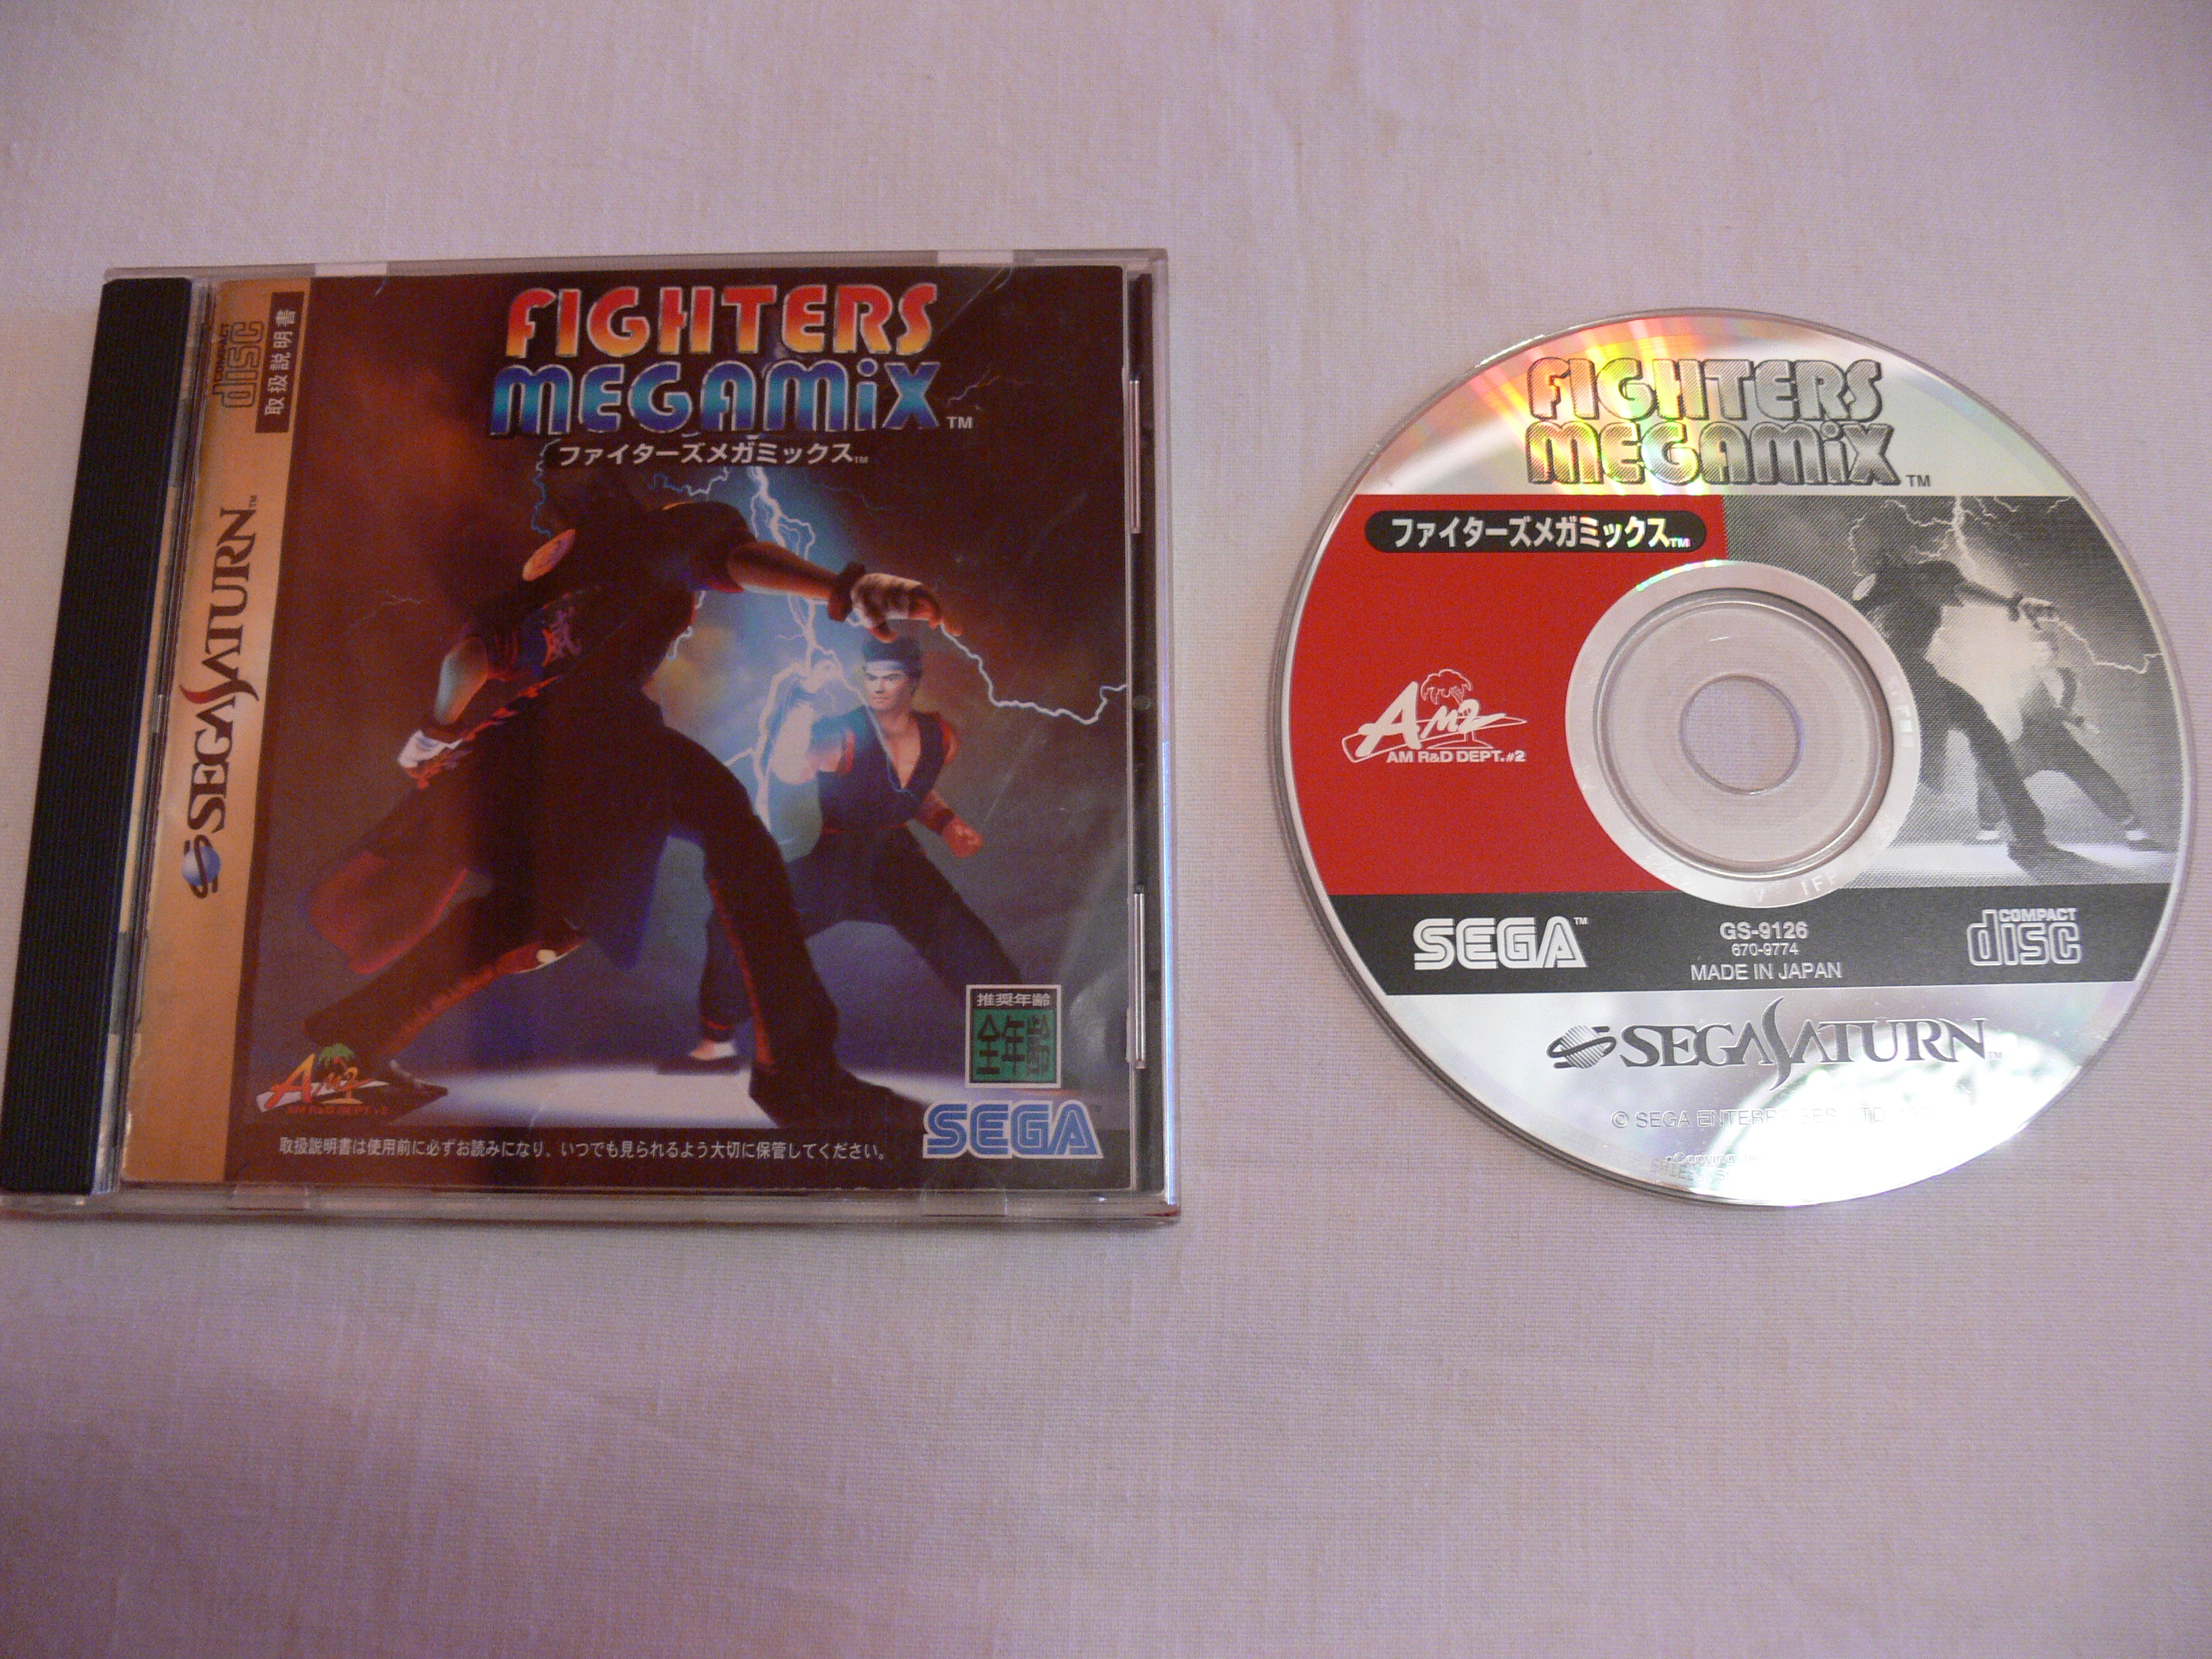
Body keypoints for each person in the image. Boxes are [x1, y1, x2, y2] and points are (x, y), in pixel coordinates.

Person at [298, 470, 949, 1140]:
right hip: (604, 734)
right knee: (720, 842)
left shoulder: (543, 575)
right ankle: (798, 1076)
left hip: (524, 744)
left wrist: (434, 733)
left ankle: (352, 1044)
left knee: (538, 917)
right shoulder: (657, 533)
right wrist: (842, 589)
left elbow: (464, 663)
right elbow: (734, 559)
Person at [663, 632, 1022, 1072]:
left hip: (896, 863)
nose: (878, 687)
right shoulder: (844, 735)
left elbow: (914, 791)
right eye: (872, 677)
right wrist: (802, 703)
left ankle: (1020, 1059)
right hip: (837, 861)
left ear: (912, 682)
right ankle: (715, 1041)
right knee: (735, 918)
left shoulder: (941, 737)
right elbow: (789, 769)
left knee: (968, 942)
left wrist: (947, 823)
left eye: (890, 677)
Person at [1852, 550, 2059, 864]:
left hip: (1879, 678)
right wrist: (2012, 604)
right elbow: (1958, 590)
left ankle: (2028, 829)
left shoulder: (1876, 589)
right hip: (1905, 675)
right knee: (1956, 742)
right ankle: (2028, 831)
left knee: (1979, 729)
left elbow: (1952, 591)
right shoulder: (1911, 578)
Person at [1974, 630, 2157, 849]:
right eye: (2034, 650)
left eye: (2044, 650)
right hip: (2031, 742)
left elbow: (2060, 708)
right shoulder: (2020, 678)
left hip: (2060, 741)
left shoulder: (2069, 677)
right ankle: (1988, 830)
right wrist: (2079, 721)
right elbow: (2038, 709)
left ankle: (2135, 832)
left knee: (2095, 777)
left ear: (2054, 652)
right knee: (1991, 770)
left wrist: (2079, 720)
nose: (2039, 655)